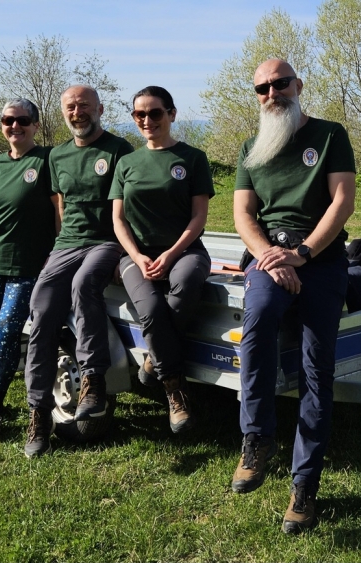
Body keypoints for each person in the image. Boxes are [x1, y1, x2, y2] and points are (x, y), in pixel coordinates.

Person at [230, 59, 356, 534]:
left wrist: (302, 254)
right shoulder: (251, 147)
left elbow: (342, 201)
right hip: (269, 258)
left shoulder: (329, 135)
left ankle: (304, 487)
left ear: (298, 85)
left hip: (319, 258)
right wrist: (270, 256)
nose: (272, 93)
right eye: (262, 88)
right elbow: (243, 214)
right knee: (259, 317)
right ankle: (257, 438)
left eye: (280, 83)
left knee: (315, 369)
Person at [21, 85, 134, 458]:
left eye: (84, 105)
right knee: (41, 308)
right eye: (70, 106)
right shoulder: (58, 156)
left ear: (100, 108)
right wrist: (56, 249)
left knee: (85, 284)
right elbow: (61, 206)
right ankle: (39, 414)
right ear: (63, 112)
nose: (77, 112)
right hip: (68, 243)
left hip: (106, 241)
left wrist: (127, 253)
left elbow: (131, 205)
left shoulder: (119, 150)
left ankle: (94, 382)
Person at [110, 86, 214, 433]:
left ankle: (153, 361)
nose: (147, 120)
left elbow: (199, 217)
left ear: (171, 114)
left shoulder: (192, 158)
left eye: (155, 113)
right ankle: (174, 389)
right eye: (139, 114)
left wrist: (171, 254)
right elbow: (118, 220)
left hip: (186, 251)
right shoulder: (126, 163)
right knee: (152, 309)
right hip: (136, 256)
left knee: (186, 282)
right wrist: (137, 256)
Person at [0, 98, 57, 437]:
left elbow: (60, 211)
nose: (14, 126)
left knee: (7, 329)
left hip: (27, 266)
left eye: (22, 120)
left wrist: (55, 252)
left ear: (35, 125)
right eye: (8, 120)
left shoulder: (47, 160)